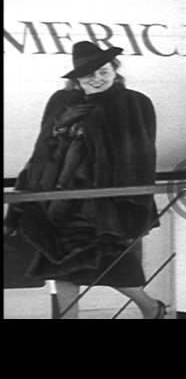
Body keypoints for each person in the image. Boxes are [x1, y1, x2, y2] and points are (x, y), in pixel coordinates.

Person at [4, 41, 165, 319]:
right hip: (57, 199)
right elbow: (42, 148)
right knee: (59, 265)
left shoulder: (132, 102)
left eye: (103, 71)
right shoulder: (60, 101)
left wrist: (127, 203)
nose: (97, 79)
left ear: (115, 70)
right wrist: (26, 193)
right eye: (88, 74)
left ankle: (150, 307)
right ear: (76, 78)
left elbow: (139, 154)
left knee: (112, 264)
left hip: (103, 202)